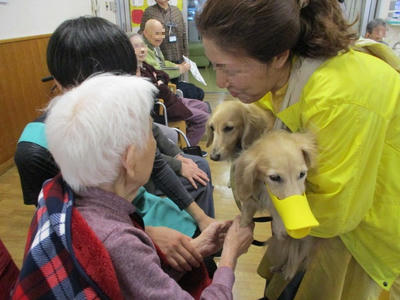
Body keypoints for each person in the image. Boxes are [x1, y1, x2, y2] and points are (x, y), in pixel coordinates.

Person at [197, 0, 400, 299]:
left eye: (230, 69)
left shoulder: (339, 95)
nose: (223, 83)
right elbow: (266, 125)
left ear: (278, 55)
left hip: (363, 237)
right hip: (313, 232)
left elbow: (334, 212)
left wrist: (252, 188)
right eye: (215, 67)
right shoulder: (285, 76)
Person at [13, 74, 255, 299]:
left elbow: (134, 280)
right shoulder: (118, 241)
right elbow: (129, 261)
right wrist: (229, 258)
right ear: (128, 159)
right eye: (151, 135)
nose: (157, 147)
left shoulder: (61, 196)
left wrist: (199, 247)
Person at [14, 16, 211, 271]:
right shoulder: (36, 148)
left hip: (136, 211)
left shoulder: (124, 109)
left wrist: (201, 217)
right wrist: (146, 234)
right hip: (106, 242)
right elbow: (60, 225)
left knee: (201, 254)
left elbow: (157, 165)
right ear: (63, 85)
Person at [130, 33, 209, 146]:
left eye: (143, 45)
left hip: (172, 100)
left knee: (203, 106)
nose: (142, 49)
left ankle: (187, 139)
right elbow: (156, 91)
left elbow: (164, 76)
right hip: (165, 108)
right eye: (136, 46)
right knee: (203, 118)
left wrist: (159, 82)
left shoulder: (145, 65)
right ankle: (188, 149)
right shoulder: (133, 71)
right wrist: (160, 83)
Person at [142, 19, 205, 101]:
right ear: (146, 33)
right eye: (157, 33)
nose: (160, 37)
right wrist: (180, 69)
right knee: (198, 93)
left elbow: (162, 63)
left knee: (196, 91)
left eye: (162, 33)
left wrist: (178, 66)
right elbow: (158, 70)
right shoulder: (144, 49)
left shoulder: (154, 46)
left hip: (163, 83)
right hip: (158, 88)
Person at [139, 0, 187, 64]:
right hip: (159, 58)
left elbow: (183, 33)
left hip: (179, 56)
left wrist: (186, 55)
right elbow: (142, 35)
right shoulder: (149, 12)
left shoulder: (176, 11)